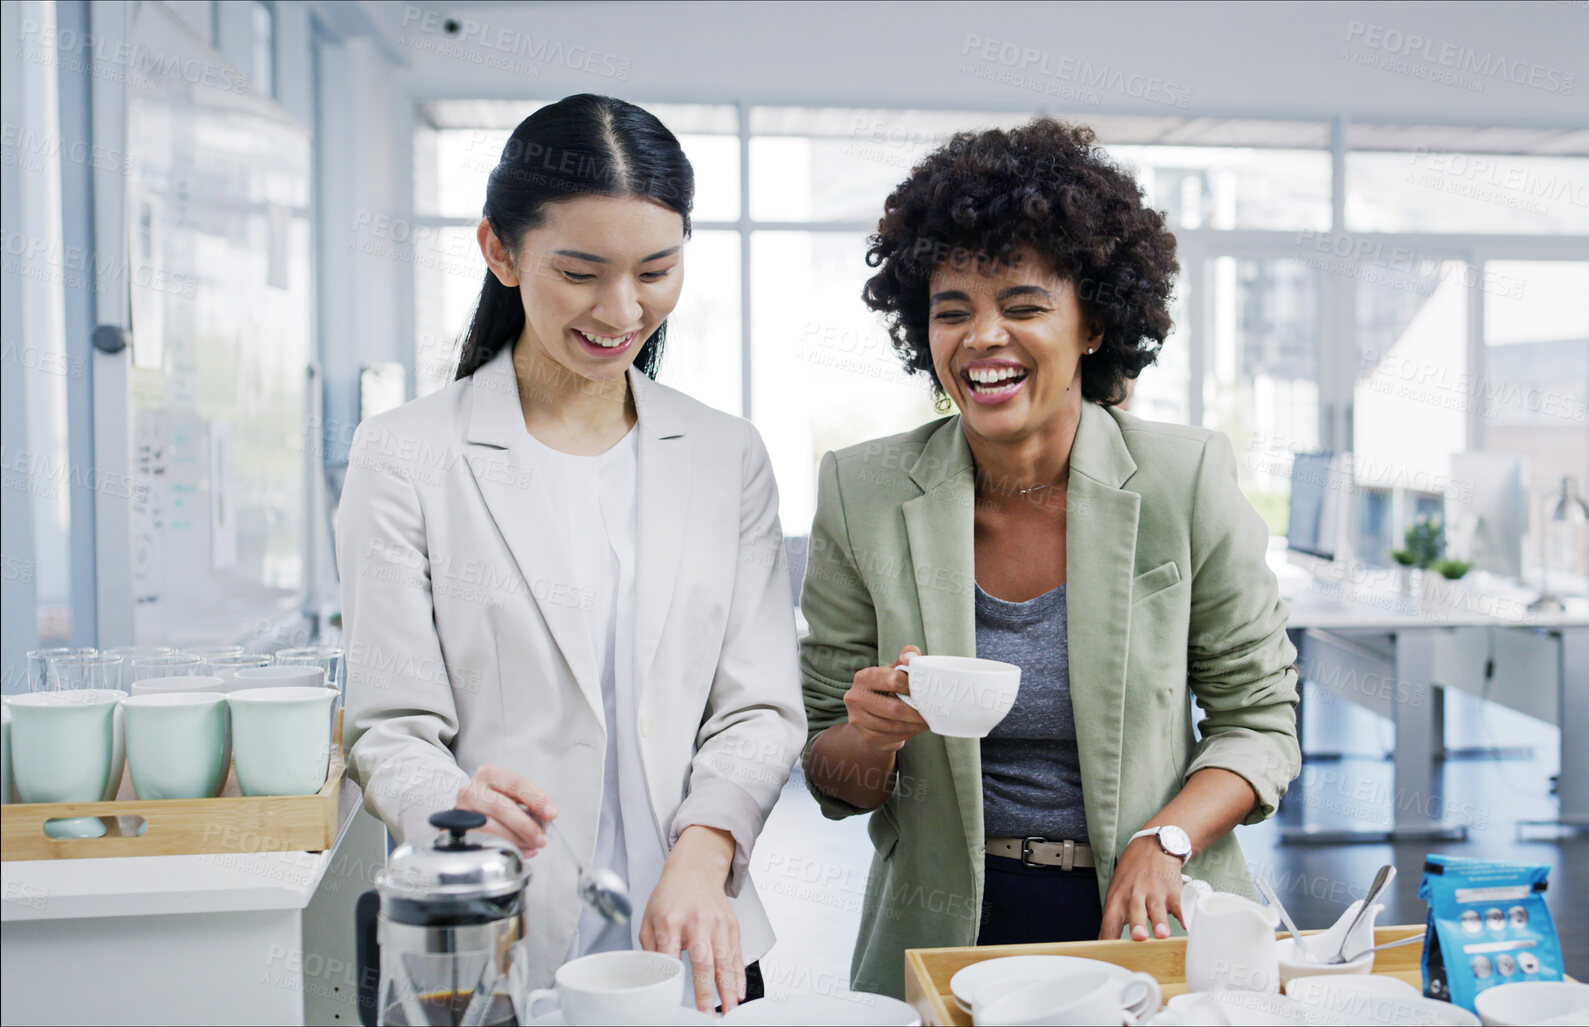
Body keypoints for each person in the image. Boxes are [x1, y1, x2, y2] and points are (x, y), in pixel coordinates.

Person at [797, 119, 1302, 997]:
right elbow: (830, 774)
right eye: (951, 310)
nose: (982, 336)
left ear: (1094, 324)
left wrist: (1167, 838)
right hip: (947, 921)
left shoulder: (1182, 479)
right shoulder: (862, 491)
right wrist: (870, 734)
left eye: (1023, 306)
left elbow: (1259, 720)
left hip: (1153, 907)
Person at [338, 94, 804, 1011]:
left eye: (656, 271)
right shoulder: (405, 454)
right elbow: (388, 728)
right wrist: (457, 802)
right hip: (499, 939)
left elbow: (758, 707)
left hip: (700, 937)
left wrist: (704, 851)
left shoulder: (725, 453)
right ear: (499, 251)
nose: (623, 309)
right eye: (581, 272)